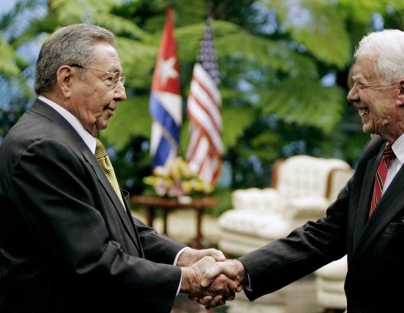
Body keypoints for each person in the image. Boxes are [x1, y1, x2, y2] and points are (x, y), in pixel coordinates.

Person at [201, 29, 404, 312]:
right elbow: (329, 232)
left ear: (401, 91)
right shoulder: (378, 149)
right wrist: (243, 269)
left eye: (360, 84)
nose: (351, 96)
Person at [0, 24, 235, 313]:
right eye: (111, 79)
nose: (121, 93)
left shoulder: (66, 139)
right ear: (66, 79)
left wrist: (184, 256)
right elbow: (94, 262)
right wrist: (188, 280)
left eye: (120, 80)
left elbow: (115, 222)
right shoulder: (43, 148)